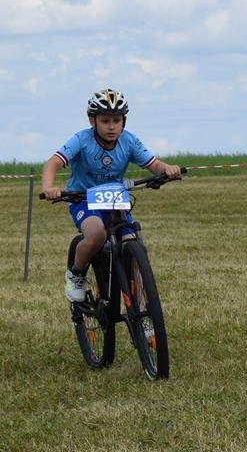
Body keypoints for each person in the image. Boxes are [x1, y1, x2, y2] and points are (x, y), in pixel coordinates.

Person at [41, 89, 181, 302]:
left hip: (115, 200)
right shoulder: (81, 139)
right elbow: (53, 163)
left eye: (116, 120)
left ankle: (142, 308)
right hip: (83, 200)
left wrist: (167, 169)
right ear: (92, 121)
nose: (111, 126)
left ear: (124, 121)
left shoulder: (129, 141)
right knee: (96, 234)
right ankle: (75, 274)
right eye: (105, 121)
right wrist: (49, 187)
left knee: (133, 244)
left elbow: (154, 165)